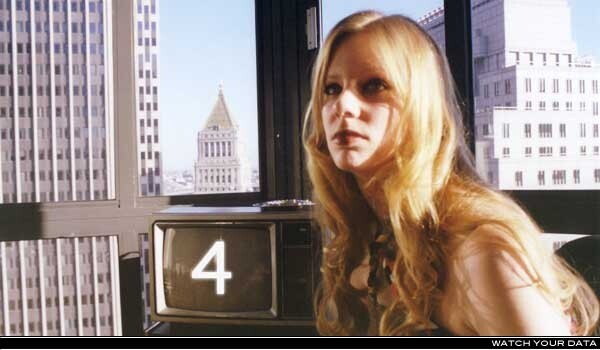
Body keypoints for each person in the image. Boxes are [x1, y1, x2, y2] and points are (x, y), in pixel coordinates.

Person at [302, 11, 599, 336]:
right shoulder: (365, 240)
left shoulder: (484, 253)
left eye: (374, 85)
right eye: (331, 88)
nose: (342, 105)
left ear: (421, 106)